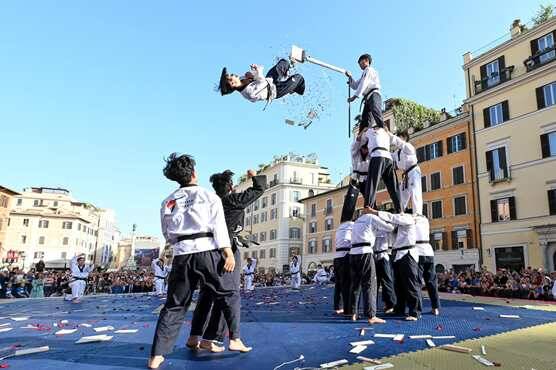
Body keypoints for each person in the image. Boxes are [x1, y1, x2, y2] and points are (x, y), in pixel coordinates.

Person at [148, 153, 236, 370]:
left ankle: (156, 356)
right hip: (206, 251)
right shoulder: (209, 196)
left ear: (176, 178)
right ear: (194, 173)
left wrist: (179, 241)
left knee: (175, 305)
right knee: (225, 294)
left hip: (181, 255)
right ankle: (230, 337)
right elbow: (219, 227)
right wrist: (228, 252)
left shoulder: (167, 201)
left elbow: (166, 232)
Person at [187, 168, 265, 353]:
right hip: (226, 250)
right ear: (230, 186)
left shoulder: (211, 203)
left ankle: (195, 336)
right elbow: (258, 189)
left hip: (208, 251)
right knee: (227, 295)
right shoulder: (231, 200)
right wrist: (254, 176)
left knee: (206, 295)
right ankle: (218, 338)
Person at [368, 208, 420, 321]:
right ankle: (399, 309)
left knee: (410, 284)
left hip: (408, 253)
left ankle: (414, 312)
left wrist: (374, 212)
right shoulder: (396, 225)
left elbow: (392, 217)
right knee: (398, 285)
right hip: (397, 254)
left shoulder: (408, 218)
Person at [349, 212, 393, 324]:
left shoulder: (357, 221)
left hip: (353, 253)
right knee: (369, 284)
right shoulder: (371, 217)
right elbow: (390, 227)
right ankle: (371, 315)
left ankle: (353, 313)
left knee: (355, 285)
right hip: (365, 252)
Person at [219, 59, 305, 104]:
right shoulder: (249, 93)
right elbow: (263, 83)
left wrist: (253, 73)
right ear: (233, 84)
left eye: (231, 74)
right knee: (299, 77)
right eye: (231, 77)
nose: (233, 74)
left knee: (283, 63)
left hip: (270, 80)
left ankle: (287, 75)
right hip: (276, 91)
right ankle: (295, 89)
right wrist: (258, 70)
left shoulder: (242, 78)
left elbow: (257, 78)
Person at [362, 125, 401, 211]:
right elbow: (396, 140)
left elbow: (358, 140)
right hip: (388, 158)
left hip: (377, 156)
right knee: (393, 186)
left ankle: (368, 207)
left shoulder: (369, 131)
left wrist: (363, 130)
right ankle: (400, 209)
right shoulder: (386, 132)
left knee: (372, 183)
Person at [346, 54, 383, 131]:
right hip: (367, 99)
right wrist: (350, 77)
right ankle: (364, 136)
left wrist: (354, 97)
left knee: (376, 112)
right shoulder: (364, 74)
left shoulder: (369, 70)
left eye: (361, 62)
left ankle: (383, 129)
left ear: (367, 60)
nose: (360, 65)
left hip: (374, 95)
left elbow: (364, 84)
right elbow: (356, 85)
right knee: (365, 120)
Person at [391, 130, 422, 215]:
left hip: (413, 171)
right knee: (402, 194)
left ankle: (418, 213)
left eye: (399, 137)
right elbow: (389, 156)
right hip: (406, 174)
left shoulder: (408, 147)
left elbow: (401, 143)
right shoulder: (397, 153)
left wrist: (389, 134)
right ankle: (400, 211)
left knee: (415, 192)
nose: (397, 140)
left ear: (404, 138)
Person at [415, 215, 440, 315]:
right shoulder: (425, 220)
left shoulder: (413, 220)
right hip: (429, 252)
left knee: (417, 282)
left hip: (418, 252)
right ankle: (435, 307)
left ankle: (417, 309)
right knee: (432, 282)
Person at [374, 226, 396, 314]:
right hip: (375, 255)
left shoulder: (388, 227)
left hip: (384, 254)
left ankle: (390, 304)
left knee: (387, 281)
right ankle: (373, 305)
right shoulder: (375, 227)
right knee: (375, 282)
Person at [333, 220, 353, 315]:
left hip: (336, 257)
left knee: (338, 284)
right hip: (345, 256)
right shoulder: (352, 226)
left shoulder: (339, 228)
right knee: (346, 284)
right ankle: (346, 308)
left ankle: (338, 306)